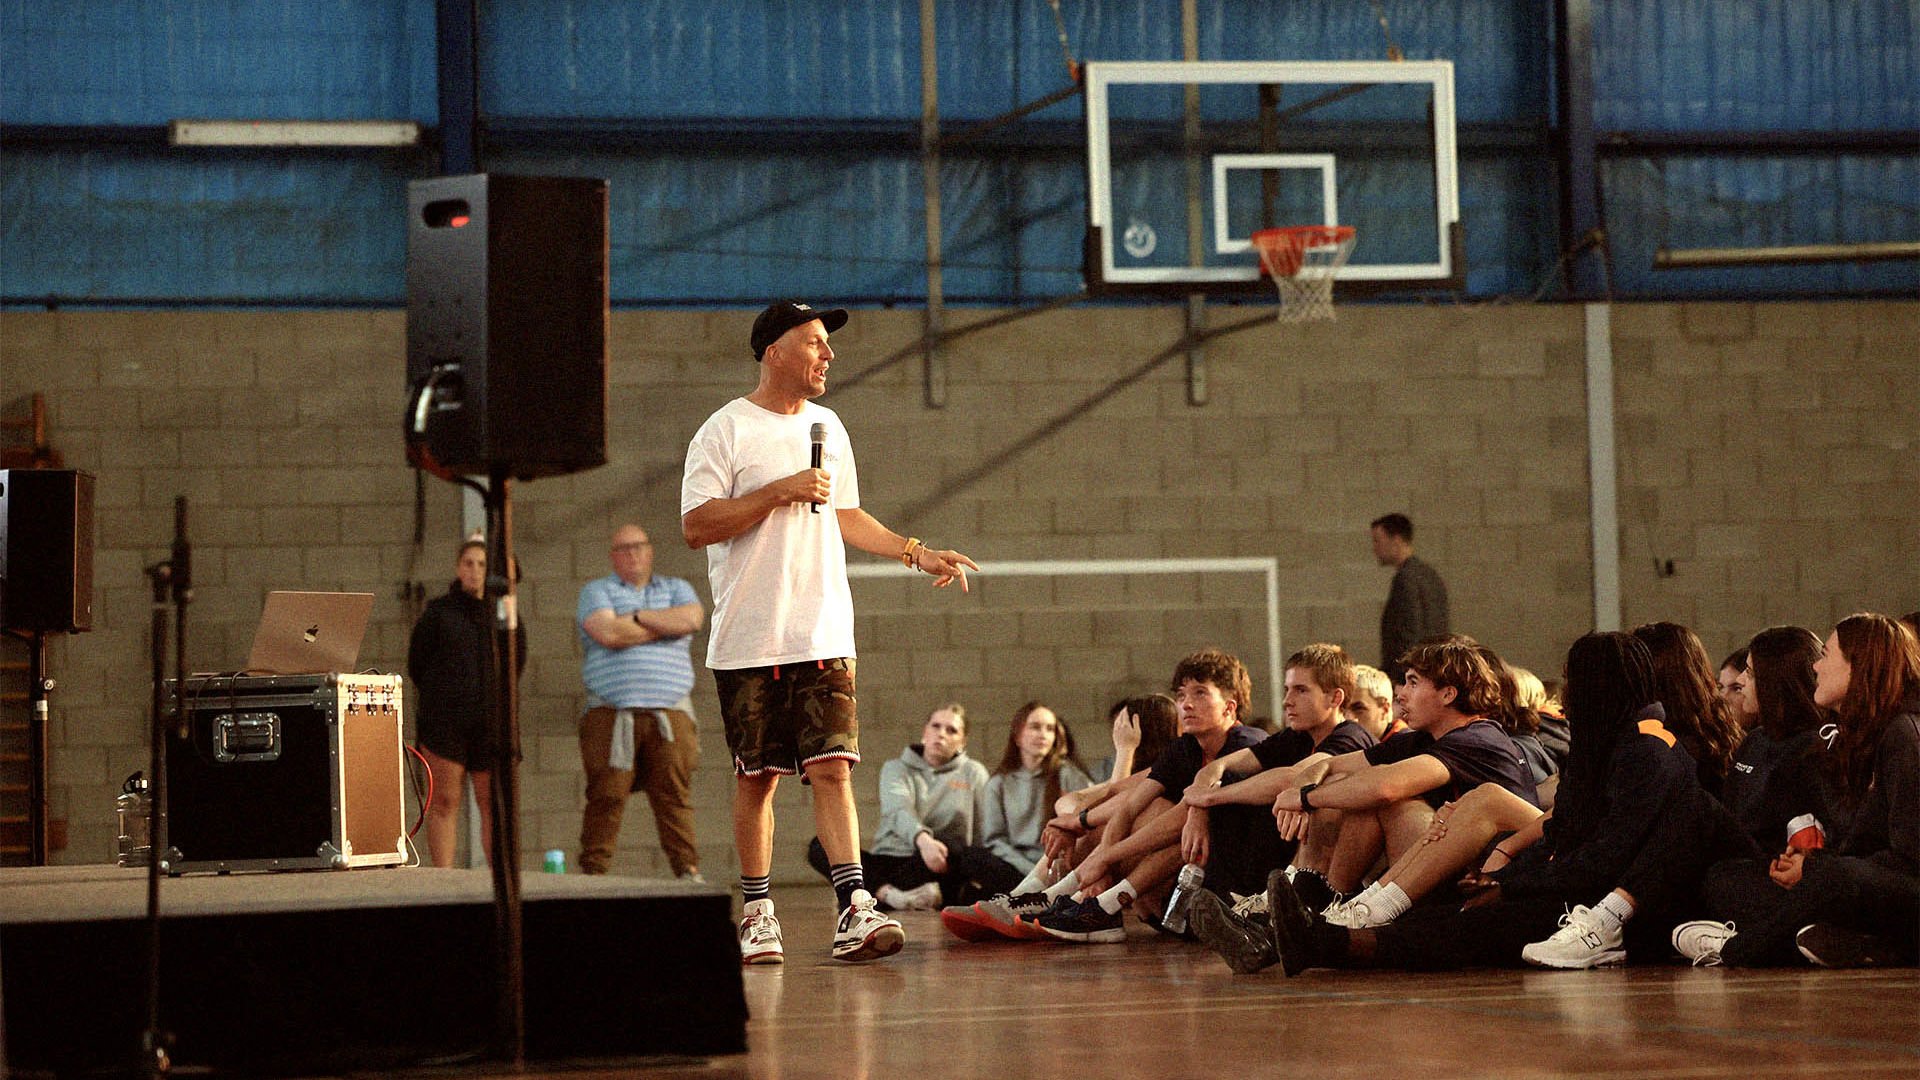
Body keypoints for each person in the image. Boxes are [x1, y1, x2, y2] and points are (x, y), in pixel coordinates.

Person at [682, 300, 979, 965]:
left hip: (822, 632)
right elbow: (697, 526)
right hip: (750, 638)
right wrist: (776, 491)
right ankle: (758, 912)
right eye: (814, 342)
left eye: (827, 344)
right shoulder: (724, 430)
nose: (828, 355)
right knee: (757, 777)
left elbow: (845, 515)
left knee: (833, 770)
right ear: (773, 351)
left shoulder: (829, 426)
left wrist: (916, 550)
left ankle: (855, 906)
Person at [1255, 632, 1702, 977]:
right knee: (1459, 914)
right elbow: (1568, 826)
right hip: (1530, 865)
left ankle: (1336, 932)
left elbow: (1609, 853)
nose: (1565, 695)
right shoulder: (1603, 745)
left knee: (1466, 919)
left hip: (1583, 892)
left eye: (1574, 681)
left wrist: (1514, 880)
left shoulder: (1648, 748)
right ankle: (1326, 924)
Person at [1676, 613, 1920, 967]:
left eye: (1825, 655)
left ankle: (1736, 949)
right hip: (1867, 887)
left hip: (1904, 894)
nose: (1816, 667)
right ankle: (1855, 944)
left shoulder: (1904, 734)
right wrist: (1811, 862)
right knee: (1726, 877)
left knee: (1835, 877)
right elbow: (1861, 838)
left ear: (1859, 665)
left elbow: (1910, 860)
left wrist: (1821, 870)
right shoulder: (1861, 731)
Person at [1269, 636, 1538, 913]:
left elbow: (1385, 787)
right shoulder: (1422, 738)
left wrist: (1305, 798)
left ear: (1448, 694)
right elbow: (1330, 765)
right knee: (1345, 789)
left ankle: (1330, 909)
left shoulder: (1479, 737)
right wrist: (1302, 786)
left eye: (1413, 682)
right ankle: (1322, 904)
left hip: (1501, 873)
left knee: (1389, 802)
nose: (1401, 693)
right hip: (1453, 863)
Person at [1030, 649, 1267, 943]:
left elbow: (1179, 816)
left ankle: (1072, 901)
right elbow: (1128, 805)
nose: (1187, 704)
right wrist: (1086, 835)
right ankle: (1048, 898)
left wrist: (1105, 856)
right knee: (1124, 816)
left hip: (1229, 897)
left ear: (1230, 708)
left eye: (1200, 693)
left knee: (1171, 818)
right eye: (1180, 696)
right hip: (1170, 899)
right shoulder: (1185, 748)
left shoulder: (1248, 745)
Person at [1179, 644, 1378, 900]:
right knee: (1232, 786)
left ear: (1335, 698)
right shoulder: (1297, 736)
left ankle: (1288, 905)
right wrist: (1198, 809)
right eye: (1287, 690)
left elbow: (1296, 777)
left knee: (1285, 797)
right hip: (1288, 852)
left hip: (1349, 868)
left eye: (1301, 690)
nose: (1287, 701)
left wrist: (1210, 798)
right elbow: (1219, 766)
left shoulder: (1351, 737)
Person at [576, 523, 706, 879]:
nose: (632, 553)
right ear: (613, 557)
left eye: (638, 546)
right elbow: (608, 632)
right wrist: (662, 626)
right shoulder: (596, 591)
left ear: (650, 551)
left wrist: (634, 617)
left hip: (671, 712)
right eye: (623, 548)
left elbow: (692, 618)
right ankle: (594, 876)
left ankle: (687, 872)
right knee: (606, 796)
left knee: (674, 798)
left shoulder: (677, 588)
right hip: (610, 712)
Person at [805, 703, 997, 910]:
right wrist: (923, 841)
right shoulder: (896, 768)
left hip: (934, 863)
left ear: (963, 741)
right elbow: (898, 809)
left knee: (957, 850)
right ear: (925, 732)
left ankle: (871, 898)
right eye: (936, 726)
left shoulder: (973, 773)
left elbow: (982, 829)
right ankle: (891, 896)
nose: (941, 734)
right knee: (821, 844)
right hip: (889, 860)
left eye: (952, 730)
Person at [407, 538, 525, 868]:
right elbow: (418, 663)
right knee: (444, 801)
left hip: (491, 722)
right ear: (459, 569)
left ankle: (497, 880)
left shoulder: (503, 612)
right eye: (468, 564)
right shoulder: (438, 613)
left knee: (493, 805)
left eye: (482, 564)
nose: (474, 571)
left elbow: (517, 662)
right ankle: (443, 880)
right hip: (445, 723)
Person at [1371, 513, 1448, 684]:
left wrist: (1400, 678)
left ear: (1396, 540)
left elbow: (1408, 633)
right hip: (1431, 671)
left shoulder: (1406, 579)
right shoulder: (1429, 575)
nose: (1374, 548)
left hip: (1410, 675)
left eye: (1378, 540)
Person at [1344, 664, 1403, 742]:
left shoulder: (1407, 747)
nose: (1347, 718)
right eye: (1342, 709)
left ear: (1384, 710)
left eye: (1358, 709)